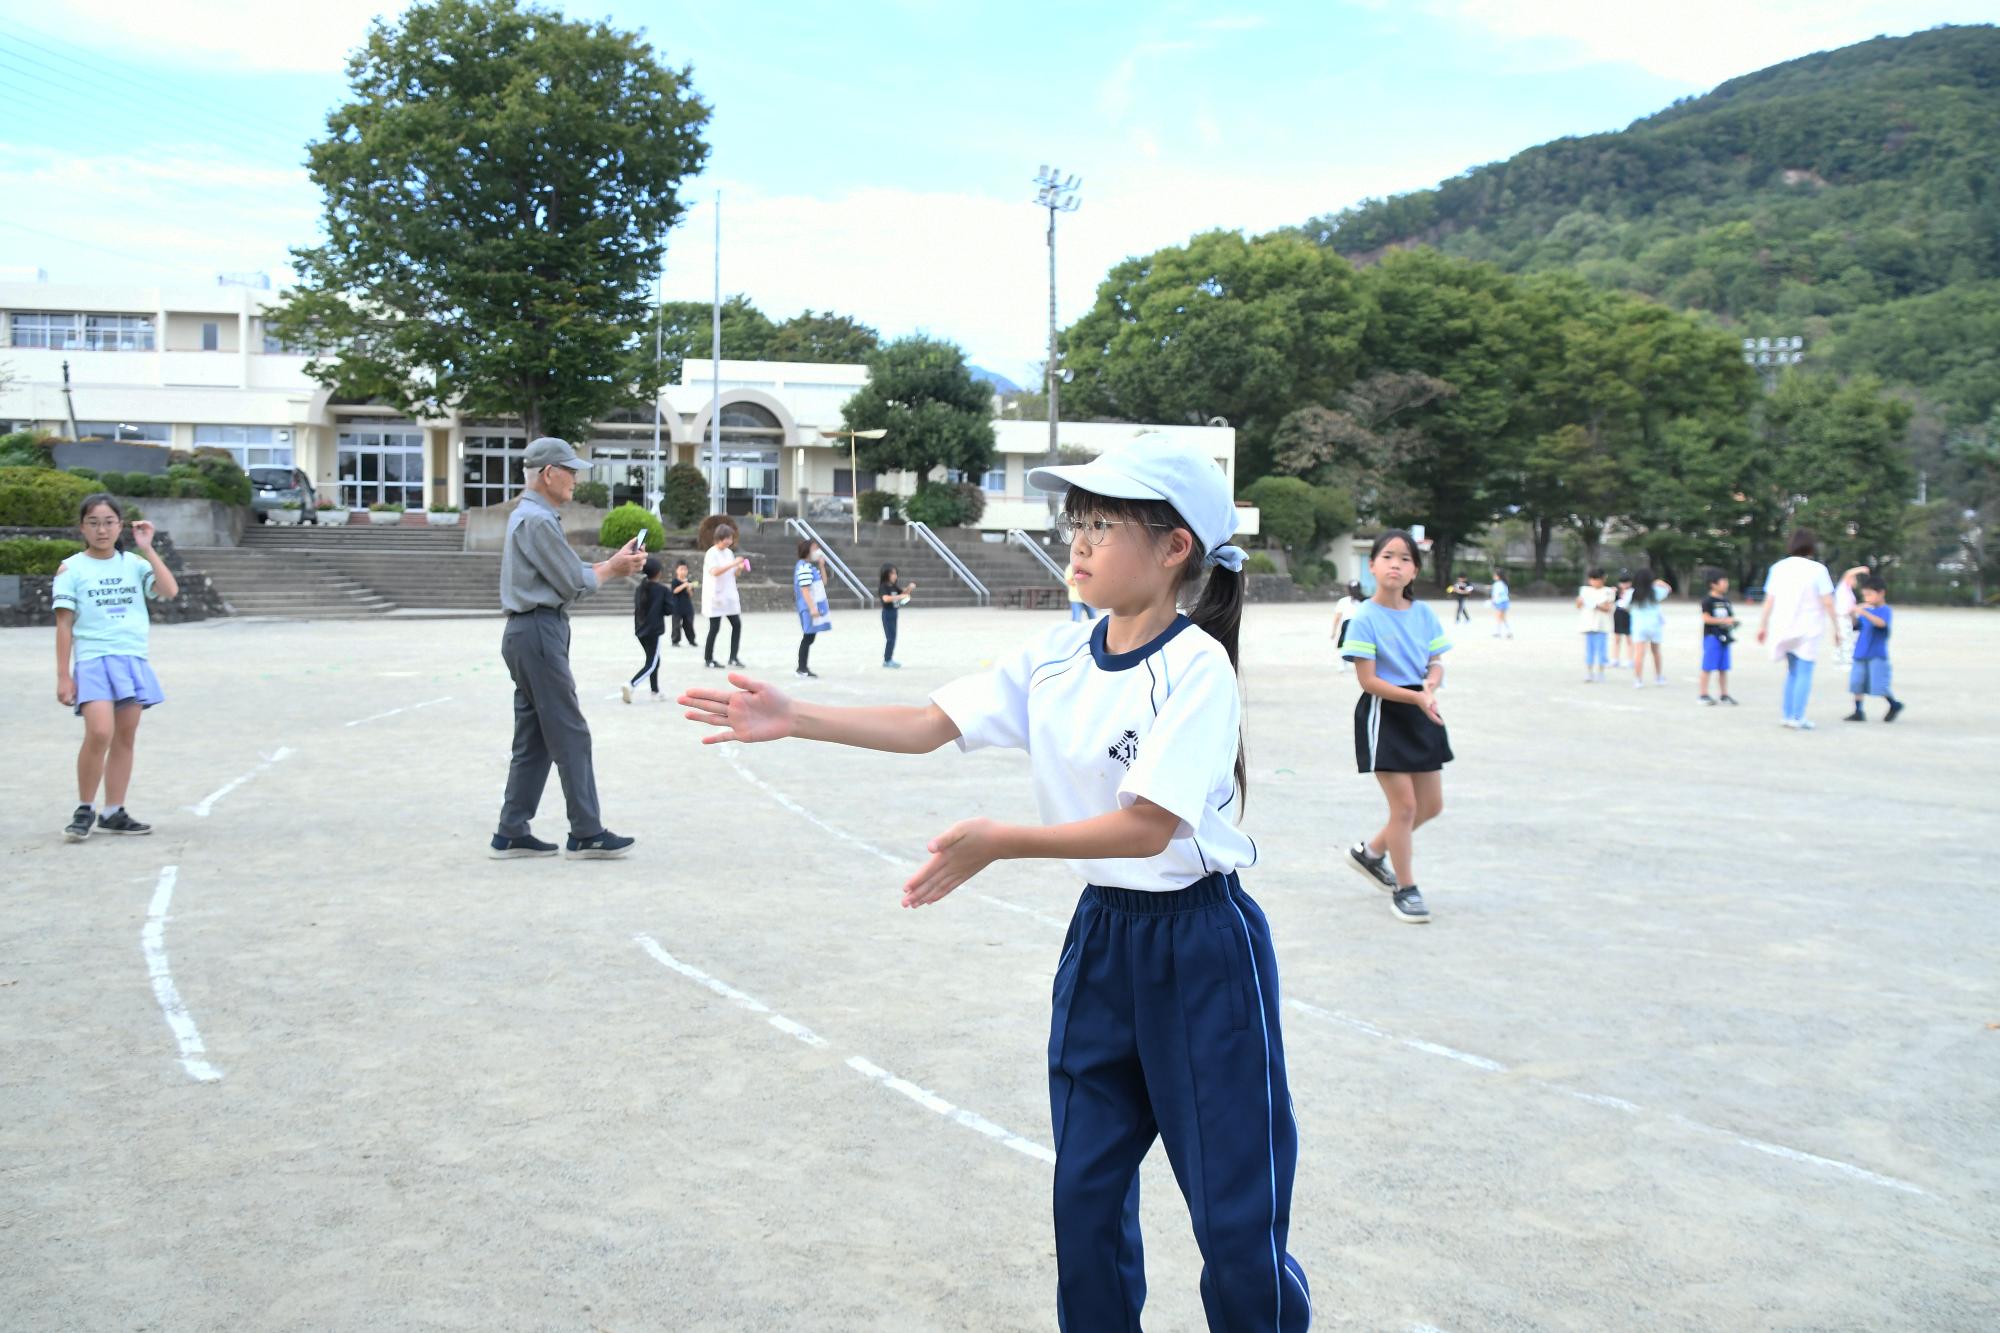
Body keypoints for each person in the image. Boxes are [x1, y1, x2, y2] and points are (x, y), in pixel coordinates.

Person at [680, 434, 1311, 1332]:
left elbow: (1149, 827)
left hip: (1201, 947)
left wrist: (1003, 841)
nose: (1079, 542)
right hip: (1104, 944)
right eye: (1078, 522)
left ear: (1176, 548)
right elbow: (928, 722)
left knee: (1234, 1215)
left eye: (1104, 525)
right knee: (1085, 1194)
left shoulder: (1197, 667)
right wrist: (796, 716)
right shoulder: (1057, 653)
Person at [493, 437, 645, 860]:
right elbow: (572, 582)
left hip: (529, 633)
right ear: (548, 473)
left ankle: (511, 831)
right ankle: (586, 830)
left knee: (536, 738)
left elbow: (571, 573)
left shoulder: (533, 516)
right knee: (570, 732)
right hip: (539, 631)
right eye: (570, 470)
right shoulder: (538, 520)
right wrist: (613, 569)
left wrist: (610, 564)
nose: (576, 479)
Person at [53, 493, 178, 842]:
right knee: (99, 732)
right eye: (93, 522)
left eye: (108, 522)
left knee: (125, 736)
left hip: (131, 658)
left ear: (119, 525)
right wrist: (64, 676)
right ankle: (84, 808)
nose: (101, 529)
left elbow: (168, 590)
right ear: (82, 527)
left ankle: (114, 811)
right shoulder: (71, 568)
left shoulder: (134, 564)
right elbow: (64, 625)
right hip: (93, 660)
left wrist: (148, 548)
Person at [1342, 530, 1452, 924]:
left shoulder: (1423, 613)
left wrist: (1432, 683)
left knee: (1431, 806)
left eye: (1405, 559)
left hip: (1422, 712)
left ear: (1414, 570)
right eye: (1387, 556)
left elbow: (1436, 660)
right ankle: (1406, 889)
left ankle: (1370, 852)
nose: (1395, 564)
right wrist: (1417, 697)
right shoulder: (1363, 618)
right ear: (1372, 565)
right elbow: (1368, 681)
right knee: (1404, 808)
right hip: (1383, 715)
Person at [1757, 527, 1842, 731]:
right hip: (1809, 627)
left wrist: (1763, 625)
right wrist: (1837, 628)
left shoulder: (1778, 568)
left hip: (1784, 625)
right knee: (1804, 672)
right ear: (1811, 547)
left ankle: (1787, 714)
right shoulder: (1817, 570)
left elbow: (1769, 600)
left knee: (1792, 671)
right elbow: (1828, 601)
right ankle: (1798, 716)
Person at [1845, 577, 1905, 723]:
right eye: (1865, 595)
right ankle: (1858, 710)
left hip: (1876, 654)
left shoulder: (1884, 610)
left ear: (1881, 593)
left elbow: (1881, 624)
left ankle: (1893, 704)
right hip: (1860, 652)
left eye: (1870, 594)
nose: (1867, 598)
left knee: (1878, 684)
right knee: (1857, 682)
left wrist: (1865, 612)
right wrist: (1853, 615)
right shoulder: (1867, 610)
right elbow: (1857, 626)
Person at [702, 522, 750, 670]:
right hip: (716, 596)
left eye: (731, 538)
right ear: (719, 538)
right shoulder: (711, 553)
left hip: (729, 595)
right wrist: (733, 564)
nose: (729, 541)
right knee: (714, 628)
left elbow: (733, 574)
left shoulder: (728, 553)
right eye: (727, 538)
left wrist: (739, 568)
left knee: (737, 624)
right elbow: (715, 572)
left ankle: (733, 657)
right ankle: (708, 658)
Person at [623, 556, 669, 704]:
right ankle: (631, 684)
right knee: (652, 663)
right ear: (658, 573)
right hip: (653, 631)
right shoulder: (662, 590)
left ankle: (655, 691)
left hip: (640, 630)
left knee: (655, 659)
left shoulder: (639, 588)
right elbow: (669, 609)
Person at [1696, 568, 1740, 706]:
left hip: (1724, 637)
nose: (1726, 584)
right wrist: (1724, 621)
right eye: (1723, 581)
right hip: (1712, 637)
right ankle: (1703, 694)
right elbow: (1706, 618)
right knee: (1707, 667)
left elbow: (1730, 616)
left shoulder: (1726, 601)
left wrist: (1732, 622)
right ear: (1713, 584)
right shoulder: (1708, 600)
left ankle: (1724, 694)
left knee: (1723, 668)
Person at [794, 538, 831, 680]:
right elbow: (805, 590)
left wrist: (822, 566)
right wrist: (812, 608)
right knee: (807, 637)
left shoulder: (810, 567)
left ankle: (803, 667)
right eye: (815, 548)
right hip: (808, 607)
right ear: (807, 550)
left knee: (809, 637)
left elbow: (824, 582)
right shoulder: (803, 567)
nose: (818, 551)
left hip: (811, 607)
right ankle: (801, 668)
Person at [1627, 567, 1671, 689]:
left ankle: (1638, 680)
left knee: (1639, 653)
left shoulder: (1631, 593)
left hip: (1639, 626)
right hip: (1654, 625)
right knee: (1656, 652)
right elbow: (1668, 589)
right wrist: (1659, 582)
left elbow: (1625, 606)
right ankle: (1658, 677)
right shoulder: (1656, 591)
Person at [1576, 567, 1614, 682]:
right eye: (1592, 579)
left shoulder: (1608, 591)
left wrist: (1594, 605)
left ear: (1603, 579)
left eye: (1597, 579)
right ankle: (1589, 672)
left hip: (1601, 626)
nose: (1594, 582)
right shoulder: (1585, 590)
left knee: (1601, 650)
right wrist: (1580, 601)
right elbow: (1578, 605)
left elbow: (1607, 608)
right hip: (1589, 625)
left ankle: (1601, 672)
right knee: (1589, 650)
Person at [878, 563, 914, 669]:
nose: (895, 576)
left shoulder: (893, 586)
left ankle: (889, 659)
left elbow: (904, 593)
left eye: (895, 573)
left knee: (893, 637)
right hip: (887, 614)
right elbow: (885, 598)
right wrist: (901, 596)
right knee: (890, 638)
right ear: (886, 574)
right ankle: (887, 660)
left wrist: (909, 588)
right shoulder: (883, 586)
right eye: (892, 573)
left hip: (894, 613)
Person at [1833, 565, 1869, 664]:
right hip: (1842, 617)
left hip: (1848, 617)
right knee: (1846, 639)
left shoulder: (1848, 592)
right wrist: (1861, 569)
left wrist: (1862, 606)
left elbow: (1851, 607)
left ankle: (1839, 658)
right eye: (1854, 579)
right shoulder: (1843, 587)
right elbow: (1848, 573)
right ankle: (1847, 660)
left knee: (1847, 638)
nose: (1856, 582)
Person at [1329, 579, 1363, 672]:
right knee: (1360, 645)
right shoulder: (1364, 601)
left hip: (1347, 625)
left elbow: (1337, 617)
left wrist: (1334, 631)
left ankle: (1342, 663)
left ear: (1348, 590)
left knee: (1344, 644)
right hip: (1360, 625)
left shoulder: (1343, 601)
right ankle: (1360, 665)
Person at [667, 559, 697, 648]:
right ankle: (675, 640)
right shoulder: (674, 582)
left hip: (687, 607)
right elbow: (674, 591)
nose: (683, 571)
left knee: (689, 624)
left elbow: (691, 595)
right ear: (677, 570)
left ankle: (692, 640)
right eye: (681, 569)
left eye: (685, 569)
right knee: (676, 625)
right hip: (676, 607)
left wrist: (689, 588)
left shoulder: (689, 582)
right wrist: (684, 585)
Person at [1611, 570, 1634, 668]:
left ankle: (1630, 660)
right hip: (1618, 615)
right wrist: (1612, 593)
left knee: (1629, 639)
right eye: (1622, 583)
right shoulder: (1616, 592)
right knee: (1616, 639)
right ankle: (1615, 659)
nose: (1624, 585)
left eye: (1626, 582)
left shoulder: (1633, 592)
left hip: (1629, 615)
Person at [1064, 557, 1095, 621]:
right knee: (1076, 619)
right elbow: (1069, 581)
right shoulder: (1071, 567)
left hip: (1088, 598)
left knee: (1093, 618)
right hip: (1076, 598)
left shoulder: (1088, 566)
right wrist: (1083, 581)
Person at [1490, 570, 1512, 638]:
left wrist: (1493, 600)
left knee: (1499, 617)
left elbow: (1497, 594)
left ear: (1498, 576)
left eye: (1495, 575)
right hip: (1504, 601)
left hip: (1500, 602)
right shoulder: (1503, 583)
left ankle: (1499, 632)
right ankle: (1507, 631)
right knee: (1502, 617)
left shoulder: (1498, 584)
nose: (1494, 576)